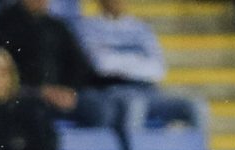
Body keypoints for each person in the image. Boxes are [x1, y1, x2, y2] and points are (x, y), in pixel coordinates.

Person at [75, 0, 200, 133]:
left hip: (148, 90)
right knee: (136, 104)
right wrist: (138, 61)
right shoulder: (87, 27)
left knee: (194, 106)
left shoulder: (141, 28)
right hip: (111, 90)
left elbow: (158, 69)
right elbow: (102, 64)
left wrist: (120, 61)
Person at [0, 0, 101, 123]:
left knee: (103, 107)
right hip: (23, 98)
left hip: (63, 97)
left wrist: (70, 90)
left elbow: (80, 67)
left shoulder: (57, 26)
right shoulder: (0, 25)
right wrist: (39, 92)